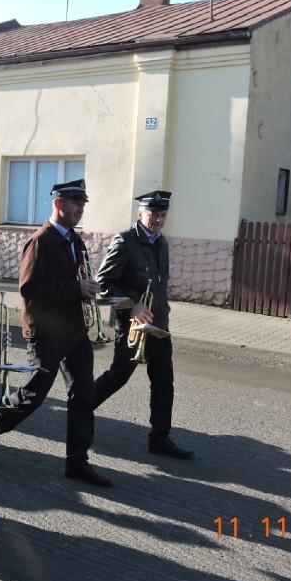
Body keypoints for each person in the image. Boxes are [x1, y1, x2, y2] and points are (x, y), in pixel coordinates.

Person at [0, 179, 112, 487]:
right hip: (47, 333)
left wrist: (87, 290)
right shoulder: (40, 241)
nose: (79, 208)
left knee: (83, 395)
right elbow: (30, 288)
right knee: (33, 396)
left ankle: (77, 462)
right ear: (58, 204)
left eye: (82, 204)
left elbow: (78, 279)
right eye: (74, 203)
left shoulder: (76, 241)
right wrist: (75, 288)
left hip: (75, 331)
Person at [93, 190, 194, 459]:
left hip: (158, 324)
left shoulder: (162, 243)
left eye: (162, 215)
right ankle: (80, 410)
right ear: (140, 214)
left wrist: (162, 314)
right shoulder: (125, 241)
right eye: (153, 214)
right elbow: (103, 284)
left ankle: (159, 438)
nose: (158, 220)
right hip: (131, 325)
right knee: (118, 376)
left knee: (163, 380)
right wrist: (133, 305)